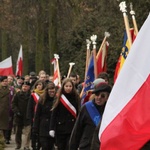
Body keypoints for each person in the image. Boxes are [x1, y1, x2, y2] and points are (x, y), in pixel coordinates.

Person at [69, 81, 111, 150]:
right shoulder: (86, 108)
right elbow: (77, 131)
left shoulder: (109, 111)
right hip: (86, 146)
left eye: (102, 96)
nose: (99, 97)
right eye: (97, 94)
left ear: (107, 97)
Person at [49, 78, 80, 150]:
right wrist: (51, 128)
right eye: (66, 86)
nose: (68, 88)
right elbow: (54, 114)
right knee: (61, 147)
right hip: (61, 128)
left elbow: (78, 112)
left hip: (72, 127)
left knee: (70, 146)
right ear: (63, 87)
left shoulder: (76, 97)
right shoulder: (59, 97)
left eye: (70, 86)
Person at [33, 82, 56, 150]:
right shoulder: (42, 100)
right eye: (50, 89)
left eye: (53, 89)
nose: (51, 91)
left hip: (53, 127)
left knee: (51, 146)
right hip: (43, 127)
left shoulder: (57, 100)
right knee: (44, 146)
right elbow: (37, 115)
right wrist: (35, 128)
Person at [27, 80, 46, 150]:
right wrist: (29, 116)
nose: (39, 86)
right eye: (37, 85)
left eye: (40, 85)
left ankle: (40, 144)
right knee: (34, 132)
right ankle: (34, 145)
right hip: (34, 117)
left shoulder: (45, 94)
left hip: (42, 117)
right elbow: (30, 106)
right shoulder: (33, 95)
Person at [12, 81, 31, 150]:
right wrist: (17, 111)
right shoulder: (17, 94)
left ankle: (26, 145)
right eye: (23, 86)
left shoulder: (31, 95)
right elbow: (13, 104)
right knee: (18, 132)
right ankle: (18, 145)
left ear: (29, 87)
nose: (24, 88)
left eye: (26, 86)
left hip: (28, 116)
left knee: (28, 132)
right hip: (19, 116)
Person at [0, 76, 15, 144]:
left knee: (8, 125)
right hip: (1, 109)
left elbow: (15, 99)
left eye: (6, 81)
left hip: (9, 110)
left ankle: (7, 138)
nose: (5, 82)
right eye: (3, 81)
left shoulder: (11, 89)